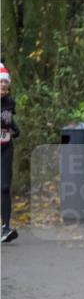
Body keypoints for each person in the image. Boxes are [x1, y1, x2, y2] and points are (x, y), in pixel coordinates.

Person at [1, 62, 19, 243]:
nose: (3, 86)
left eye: (5, 82)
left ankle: (5, 227)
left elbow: (8, 120)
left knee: (4, 187)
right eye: (0, 82)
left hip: (6, 146)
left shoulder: (9, 102)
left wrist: (15, 128)